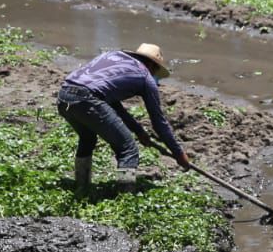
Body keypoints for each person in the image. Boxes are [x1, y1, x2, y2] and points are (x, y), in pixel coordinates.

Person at [55, 44, 188, 192]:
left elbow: (112, 105)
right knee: (128, 149)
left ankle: (82, 186)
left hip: (64, 95)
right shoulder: (145, 76)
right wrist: (179, 154)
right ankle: (125, 195)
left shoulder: (112, 56)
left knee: (87, 138)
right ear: (151, 64)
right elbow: (159, 123)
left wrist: (138, 131)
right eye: (155, 71)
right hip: (88, 99)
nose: (155, 75)